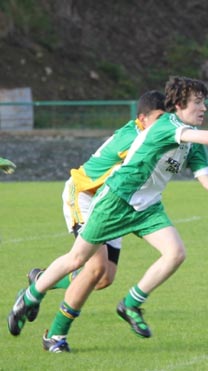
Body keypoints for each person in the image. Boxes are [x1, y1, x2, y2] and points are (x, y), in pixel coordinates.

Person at [7, 76, 208, 353]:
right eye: (198, 102)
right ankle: (32, 296)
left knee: (175, 253)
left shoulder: (193, 142)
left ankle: (130, 303)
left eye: (204, 102)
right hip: (116, 199)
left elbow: (207, 179)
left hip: (146, 207)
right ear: (178, 105)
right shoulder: (168, 125)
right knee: (80, 261)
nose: (203, 108)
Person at [23, 90, 167, 324]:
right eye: (159, 117)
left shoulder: (152, 135)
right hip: (84, 195)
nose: (164, 123)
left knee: (103, 278)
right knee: (93, 265)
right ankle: (54, 333)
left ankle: (42, 279)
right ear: (142, 119)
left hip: (111, 202)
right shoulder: (132, 139)